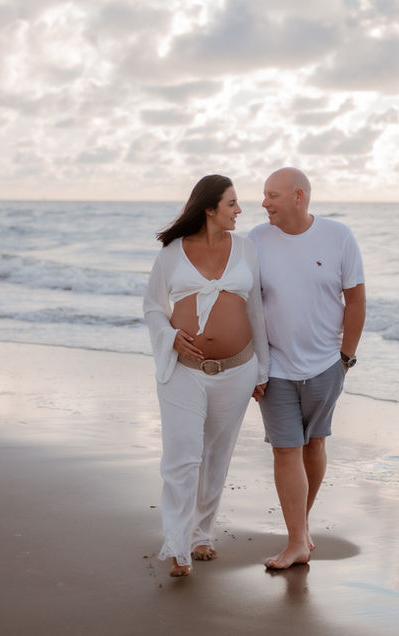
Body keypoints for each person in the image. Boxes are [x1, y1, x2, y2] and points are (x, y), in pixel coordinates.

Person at [143, 175, 269, 578]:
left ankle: (202, 534)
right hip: (183, 371)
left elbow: (257, 314)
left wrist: (262, 370)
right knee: (182, 456)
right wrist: (171, 338)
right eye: (232, 203)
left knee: (217, 455)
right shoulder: (172, 254)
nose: (239, 210)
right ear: (210, 208)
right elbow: (152, 307)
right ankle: (178, 544)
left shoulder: (247, 250)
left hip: (237, 369)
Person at [248, 167, 365, 570]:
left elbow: (356, 300)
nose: (264, 203)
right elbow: (243, 305)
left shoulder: (338, 237)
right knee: (286, 448)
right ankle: (297, 540)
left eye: (271, 195)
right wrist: (254, 365)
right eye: (264, 195)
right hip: (275, 366)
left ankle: (300, 530)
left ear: (299, 195)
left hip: (326, 364)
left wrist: (345, 360)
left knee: (314, 443)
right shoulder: (256, 241)